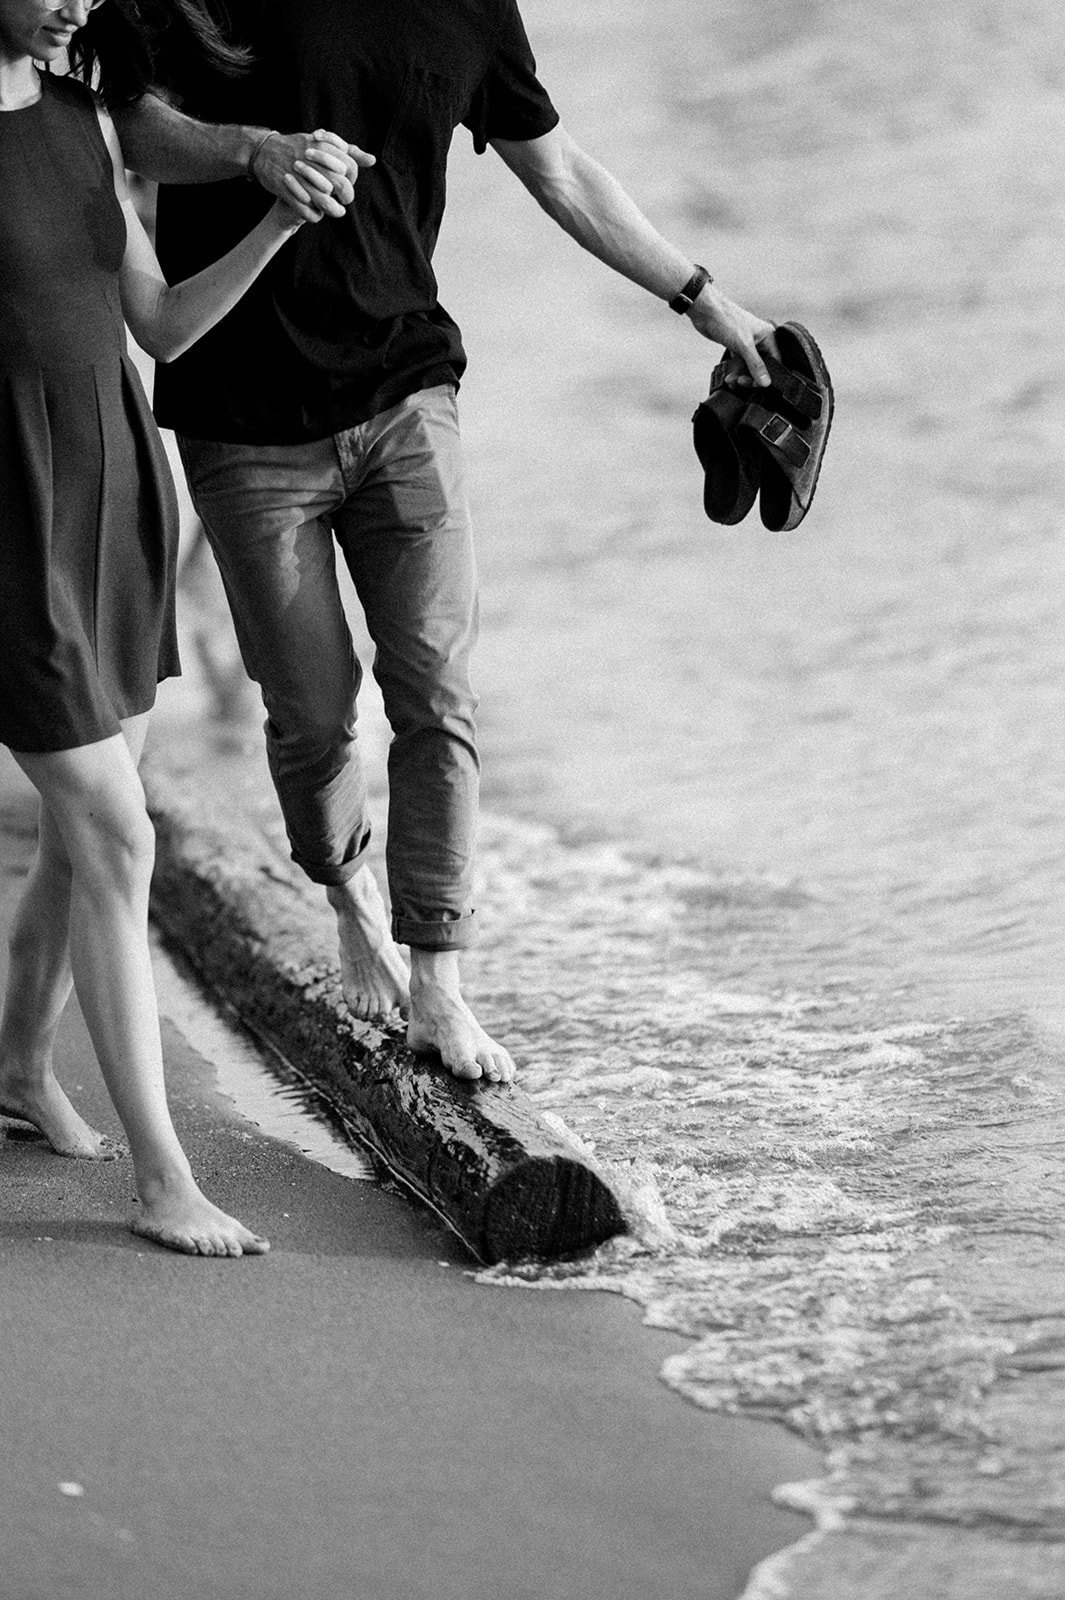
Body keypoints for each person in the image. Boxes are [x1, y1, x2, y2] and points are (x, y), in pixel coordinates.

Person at [112, 0, 781, 1086]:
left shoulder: (472, 5)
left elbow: (560, 171)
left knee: (434, 686)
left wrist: (702, 297)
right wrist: (252, 152)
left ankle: (439, 981)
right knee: (314, 714)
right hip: (243, 417)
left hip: (406, 390)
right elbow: (125, 126)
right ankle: (344, 890)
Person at [0, 0, 353, 1256]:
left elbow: (156, 325)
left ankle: (16, 1064)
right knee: (116, 830)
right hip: (8, 510)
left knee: (91, 821)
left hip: (113, 486)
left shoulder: (84, 117)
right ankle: (161, 1177)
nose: (80, 5)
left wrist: (274, 217)